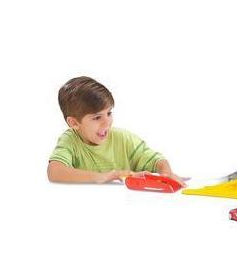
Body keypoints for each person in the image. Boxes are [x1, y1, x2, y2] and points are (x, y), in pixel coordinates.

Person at [47, 76, 187, 185]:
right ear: (74, 123)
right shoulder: (70, 140)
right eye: (97, 117)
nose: (107, 122)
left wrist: (166, 173)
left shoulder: (123, 139)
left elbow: (157, 160)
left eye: (109, 113)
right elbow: (54, 172)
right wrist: (103, 176)